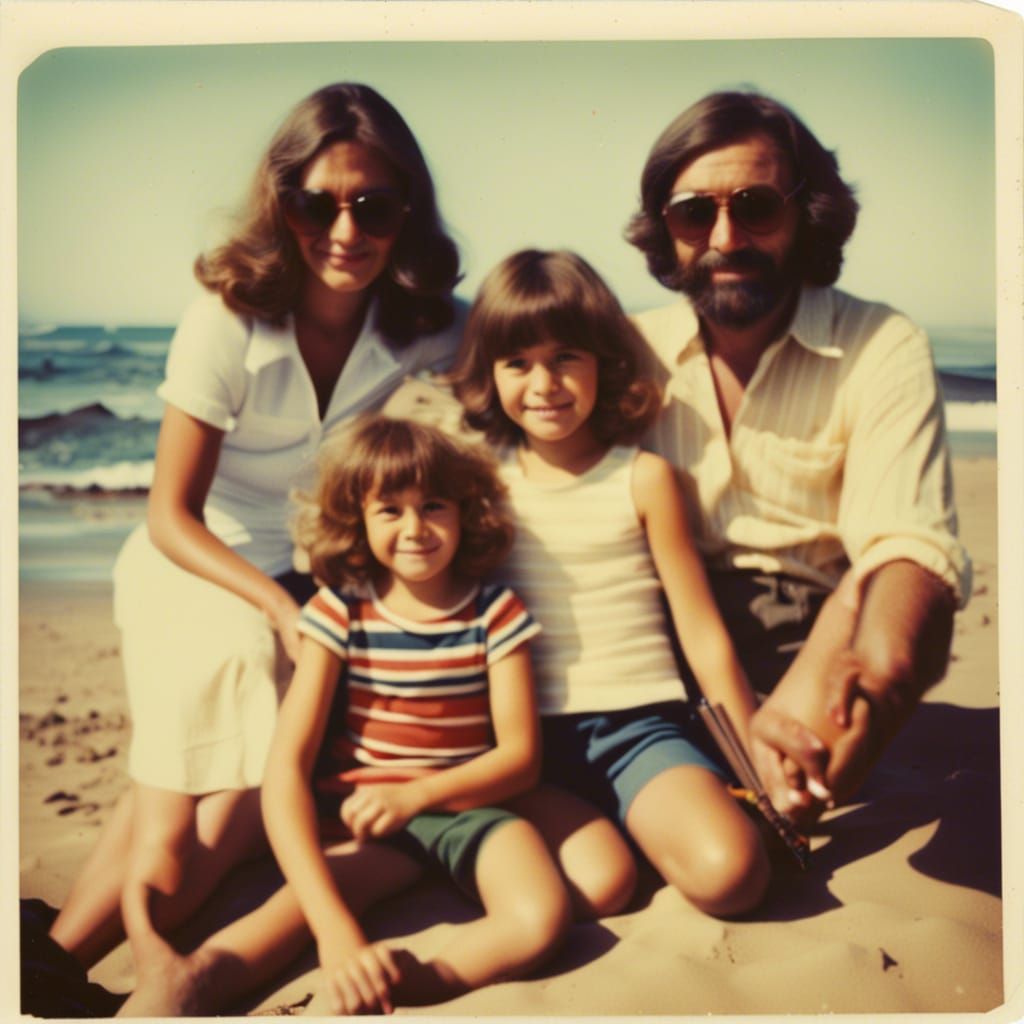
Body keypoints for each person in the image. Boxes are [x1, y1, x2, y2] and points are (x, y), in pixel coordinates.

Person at [48, 82, 466, 984]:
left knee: (220, 788)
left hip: (316, 576)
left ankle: (50, 958)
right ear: (281, 205)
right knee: (217, 741)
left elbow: (534, 355)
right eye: (318, 205)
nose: (346, 231)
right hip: (199, 562)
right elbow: (169, 512)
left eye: (374, 206)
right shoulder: (227, 317)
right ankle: (58, 962)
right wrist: (278, 608)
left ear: (407, 212)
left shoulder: (429, 327)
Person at [116, 416, 572, 1016]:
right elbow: (287, 767)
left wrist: (416, 796)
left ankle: (406, 982)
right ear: (358, 518)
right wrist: (335, 931)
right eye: (390, 510)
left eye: (434, 506)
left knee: (540, 918)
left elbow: (521, 760)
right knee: (283, 922)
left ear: (466, 510)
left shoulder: (495, 613)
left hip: (469, 809)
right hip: (366, 822)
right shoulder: (340, 612)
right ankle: (184, 986)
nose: (415, 529)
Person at [624, 90, 970, 823]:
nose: (725, 238)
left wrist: (876, 671)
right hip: (656, 644)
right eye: (694, 213)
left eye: (756, 207)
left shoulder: (880, 344)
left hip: (811, 642)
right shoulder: (624, 352)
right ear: (664, 228)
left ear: (808, 215)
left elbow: (906, 546)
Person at [452, 248, 771, 917]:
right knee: (602, 888)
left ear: (604, 359)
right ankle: (605, 836)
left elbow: (701, 633)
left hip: (639, 730)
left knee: (733, 876)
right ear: (489, 372)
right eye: (517, 363)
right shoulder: (478, 483)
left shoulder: (644, 478)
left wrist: (758, 765)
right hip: (522, 746)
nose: (544, 384)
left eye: (566, 356)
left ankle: (647, 818)